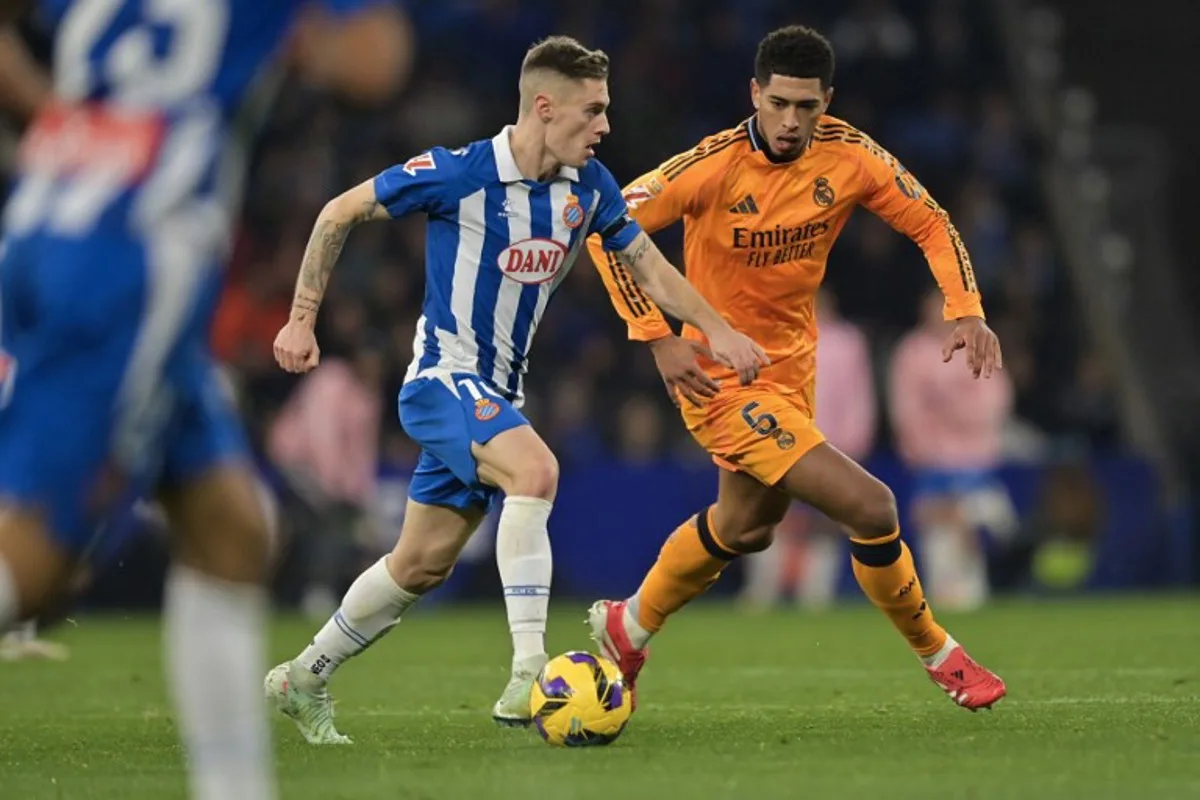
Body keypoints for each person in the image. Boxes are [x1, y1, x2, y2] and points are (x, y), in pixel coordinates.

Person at [265, 35, 767, 744]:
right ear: (544, 106)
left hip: (499, 392)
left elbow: (650, 267)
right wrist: (300, 321)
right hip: (441, 380)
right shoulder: (458, 172)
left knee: (420, 563)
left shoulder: (588, 187)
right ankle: (531, 672)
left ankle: (303, 676)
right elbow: (337, 212)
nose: (605, 127)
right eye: (592, 111)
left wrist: (715, 330)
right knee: (536, 470)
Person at [0, 2, 412, 798]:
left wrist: (53, 111)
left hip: (46, 219)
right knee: (38, 563)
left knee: (230, 526)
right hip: (139, 260)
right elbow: (375, 59)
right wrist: (301, 42)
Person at [586, 24, 1007, 712]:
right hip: (717, 374)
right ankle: (941, 653)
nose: (789, 121)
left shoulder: (851, 156)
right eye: (778, 103)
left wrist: (965, 307)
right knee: (873, 507)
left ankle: (627, 624)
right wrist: (657, 336)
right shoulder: (712, 166)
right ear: (755, 94)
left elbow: (930, 219)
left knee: (746, 526)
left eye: (805, 107)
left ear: (827, 101)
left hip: (790, 370)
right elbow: (608, 226)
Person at [890, 287, 1017, 611]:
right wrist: (921, 446)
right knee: (936, 525)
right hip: (933, 458)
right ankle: (943, 593)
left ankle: (976, 590)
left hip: (976, 456)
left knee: (978, 518)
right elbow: (906, 408)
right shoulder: (912, 352)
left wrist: (958, 410)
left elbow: (995, 400)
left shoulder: (979, 343)